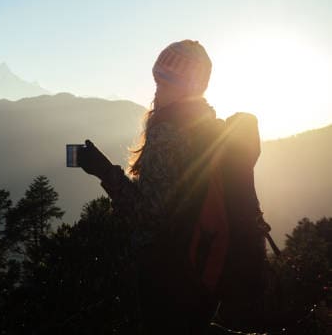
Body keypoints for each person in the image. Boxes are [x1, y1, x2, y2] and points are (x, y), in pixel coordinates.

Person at [78, 40, 263, 334]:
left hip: (167, 273)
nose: (156, 89)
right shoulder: (207, 127)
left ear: (188, 86)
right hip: (200, 271)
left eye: (165, 81)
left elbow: (147, 215)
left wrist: (103, 171)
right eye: (157, 79)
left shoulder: (169, 133)